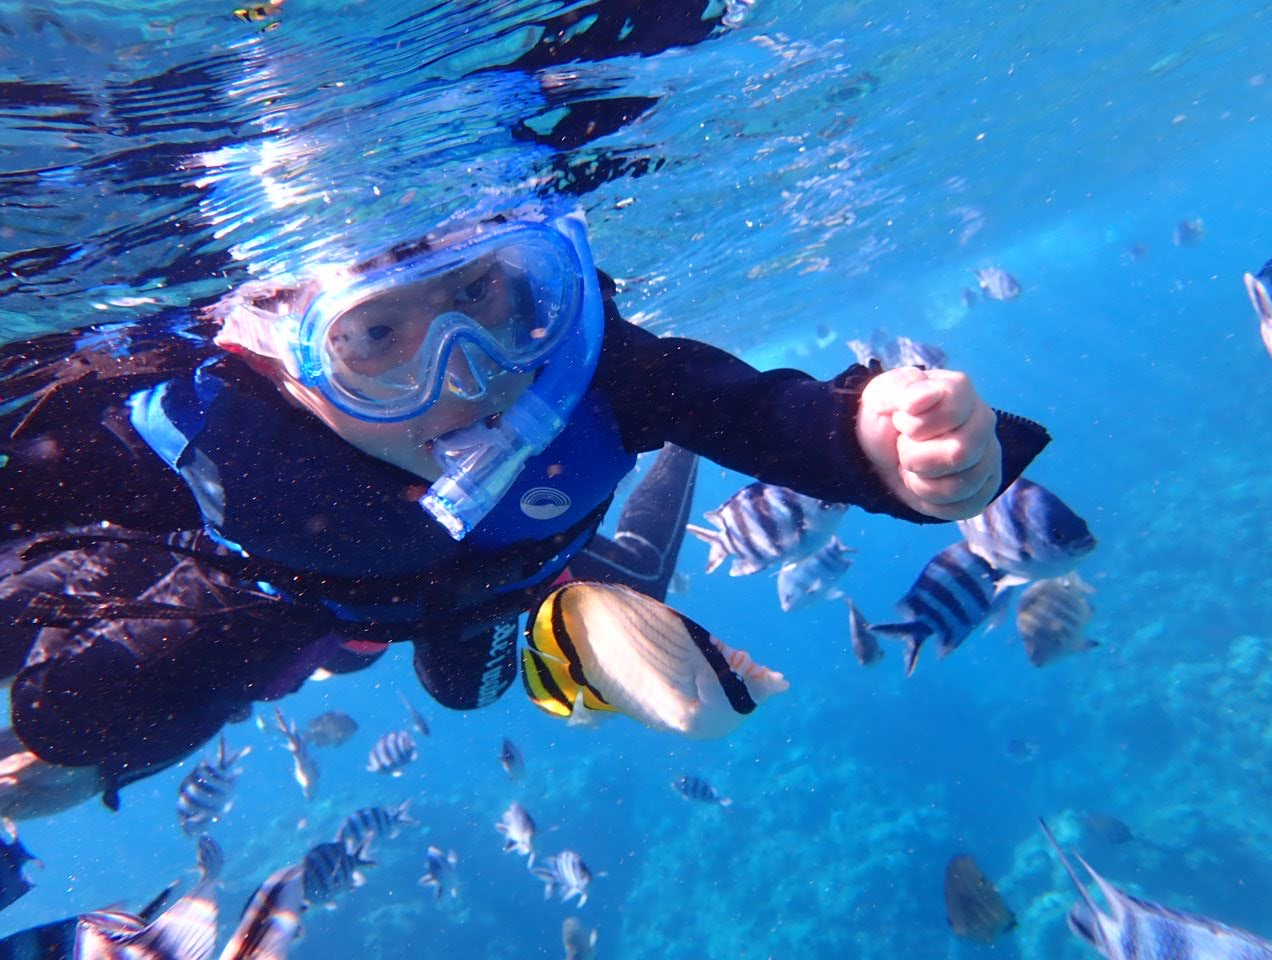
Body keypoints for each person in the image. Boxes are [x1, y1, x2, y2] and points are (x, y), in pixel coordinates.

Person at [0, 203, 1048, 807]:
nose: (464, 372)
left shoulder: (596, 370)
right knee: (78, 713)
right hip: (298, 606)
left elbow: (750, 411)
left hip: (501, 590)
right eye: (375, 338)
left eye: (476, 295)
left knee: (468, 693)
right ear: (274, 363)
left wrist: (875, 443)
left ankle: (589, 595)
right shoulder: (221, 430)